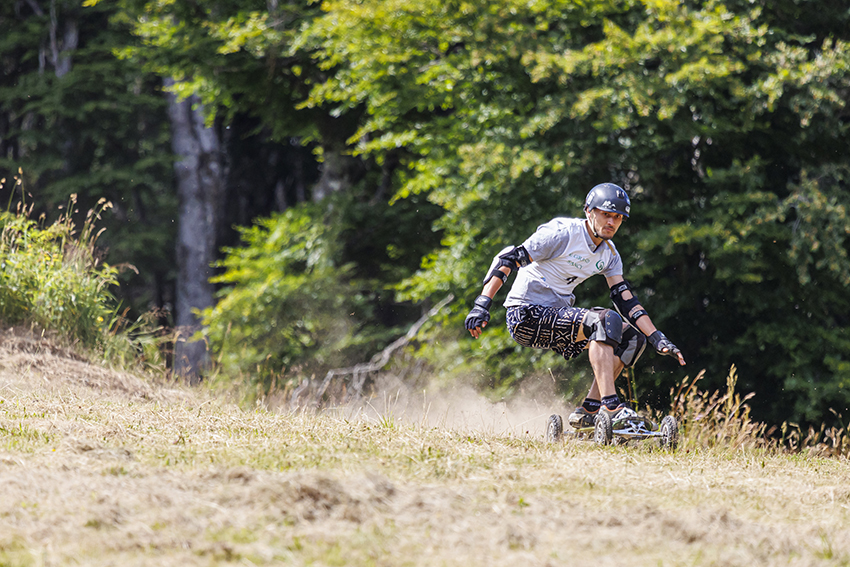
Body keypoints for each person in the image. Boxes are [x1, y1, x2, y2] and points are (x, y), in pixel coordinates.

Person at [464, 182, 686, 428]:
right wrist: (482, 303)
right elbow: (508, 258)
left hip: (557, 316)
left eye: (618, 218)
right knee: (604, 320)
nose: (611, 222)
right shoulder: (562, 233)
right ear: (589, 211)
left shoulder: (610, 255)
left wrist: (657, 337)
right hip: (525, 314)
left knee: (633, 338)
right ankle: (611, 406)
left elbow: (626, 300)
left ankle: (588, 411)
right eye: (606, 215)